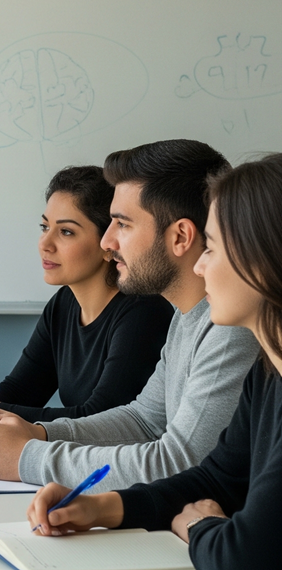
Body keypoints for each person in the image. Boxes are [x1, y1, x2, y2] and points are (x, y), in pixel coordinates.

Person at [27, 153, 282, 570]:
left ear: (264, 262)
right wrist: (101, 508)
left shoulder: (236, 340)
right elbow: (216, 478)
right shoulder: (267, 375)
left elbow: (242, 553)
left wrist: (197, 526)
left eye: (212, 248)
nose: (201, 264)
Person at [0, 140, 260, 489]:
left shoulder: (230, 327)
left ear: (180, 237)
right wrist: (39, 433)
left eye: (122, 224)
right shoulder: (187, 317)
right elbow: (144, 421)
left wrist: (28, 458)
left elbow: (181, 461)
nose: (107, 242)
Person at [0, 166, 173, 426]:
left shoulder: (144, 312)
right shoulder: (63, 303)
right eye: (45, 226)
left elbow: (100, 419)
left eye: (66, 232)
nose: (44, 244)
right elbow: (24, 389)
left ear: (108, 244)